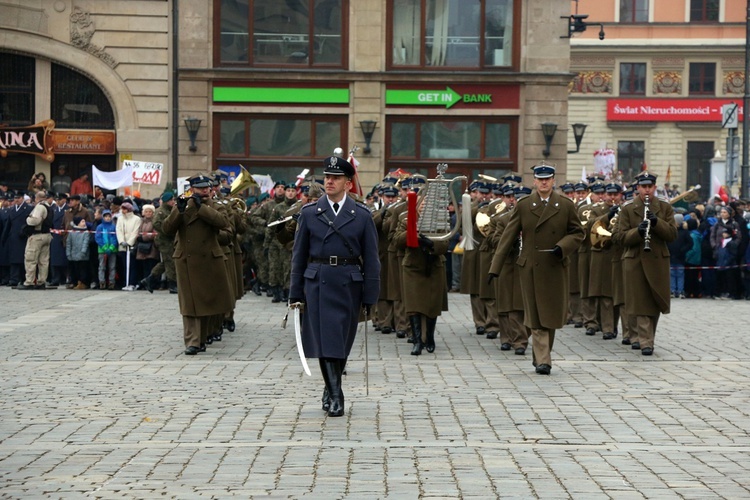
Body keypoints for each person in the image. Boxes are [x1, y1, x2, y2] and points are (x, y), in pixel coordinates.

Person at [289, 156, 380, 417]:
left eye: (336, 177)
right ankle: (337, 393)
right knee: (326, 340)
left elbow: (372, 258)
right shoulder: (310, 213)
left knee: (341, 341)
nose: (329, 181)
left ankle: (330, 387)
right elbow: (299, 255)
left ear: (348, 184)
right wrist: (295, 292)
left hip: (349, 282)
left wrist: (371, 294)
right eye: (327, 177)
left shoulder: (361, 215)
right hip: (318, 281)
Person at [489, 163, 584, 375]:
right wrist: (495, 268)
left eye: (547, 179)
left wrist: (563, 247)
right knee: (536, 316)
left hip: (555, 266)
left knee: (550, 316)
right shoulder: (524, 205)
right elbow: (507, 238)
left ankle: (541, 355)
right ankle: (543, 360)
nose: (543, 182)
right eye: (540, 179)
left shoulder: (566, 205)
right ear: (534, 181)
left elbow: (578, 233)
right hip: (530, 267)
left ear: (553, 181)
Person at [162, 174, 234, 355]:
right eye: (200, 188)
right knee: (189, 303)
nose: (204, 191)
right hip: (186, 259)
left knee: (207, 301)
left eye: (206, 188)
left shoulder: (215, 206)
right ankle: (192, 341)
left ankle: (203, 337)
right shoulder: (183, 205)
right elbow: (167, 229)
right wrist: (178, 210)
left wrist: (202, 208)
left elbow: (224, 224)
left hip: (209, 258)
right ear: (191, 189)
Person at [611, 171, 677, 355]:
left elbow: (672, 234)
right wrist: (637, 232)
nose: (646, 190)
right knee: (639, 301)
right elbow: (618, 237)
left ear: (654, 188)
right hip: (635, 260)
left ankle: (647, 337)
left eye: (650, 187)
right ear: (638, 188)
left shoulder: (664, 208)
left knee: (655, 301)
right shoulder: (627, 209)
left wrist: (657, 223)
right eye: (643, 187)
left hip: (657, 260)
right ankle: (645, 341)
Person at [16, 191, 54, 289]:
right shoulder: (48, 207)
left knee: (31, 259)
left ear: (37, 198)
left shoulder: (40, 207)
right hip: (46, 235)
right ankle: (42, 281)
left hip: (37, 236)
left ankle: (29, 282)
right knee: (44, 261)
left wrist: (28, 219)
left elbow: (35, 221)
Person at [115, 202, 141, 290]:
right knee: (124, 264)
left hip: (131, 245)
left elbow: (135, 231)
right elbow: (118, 230)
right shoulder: (120, 219)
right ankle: (125, 282)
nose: (123, 211)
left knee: (132, 265)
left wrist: (130, 242)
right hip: (123, 245)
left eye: (124, 209)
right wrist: (121, 241)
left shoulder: (136, 219)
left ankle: (132, 283)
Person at [135, 204, 160, 291]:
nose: (148, 213)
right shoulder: (141, 222)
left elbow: (154, 233)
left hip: (151, 247)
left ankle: (152, 283)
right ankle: (144, 282)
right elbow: (138, 231)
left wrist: (144, 237)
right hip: (142, 247)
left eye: (150, 211)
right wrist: (139, 237)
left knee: (151, 265)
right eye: (146, 211)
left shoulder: (154, 221)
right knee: (144, 266)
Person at [66, 217, 91, 289]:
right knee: (74, 269)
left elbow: (85, 243)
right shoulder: (72, 233)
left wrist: (83, 252)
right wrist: (68, 253)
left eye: (84, 221)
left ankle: (83, 282)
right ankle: (74, 282)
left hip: (83, 256)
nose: (84, 223)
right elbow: (68, 243)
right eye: (82, 222)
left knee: (83, 270)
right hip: (73, 255)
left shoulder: (86, 232)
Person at [95, 209, 118, 289]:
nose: (107, 218)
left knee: (112, 266)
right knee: (102, 266)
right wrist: (104, 247)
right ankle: (102, 281)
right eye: (106, 216)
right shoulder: (100, 227)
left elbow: (115, 238)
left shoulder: (113, 227)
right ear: (103, 217)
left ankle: (112, 282)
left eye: (109, 216)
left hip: (112, 250)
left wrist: (111, 248)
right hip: (102, 250)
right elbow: (98, 238)